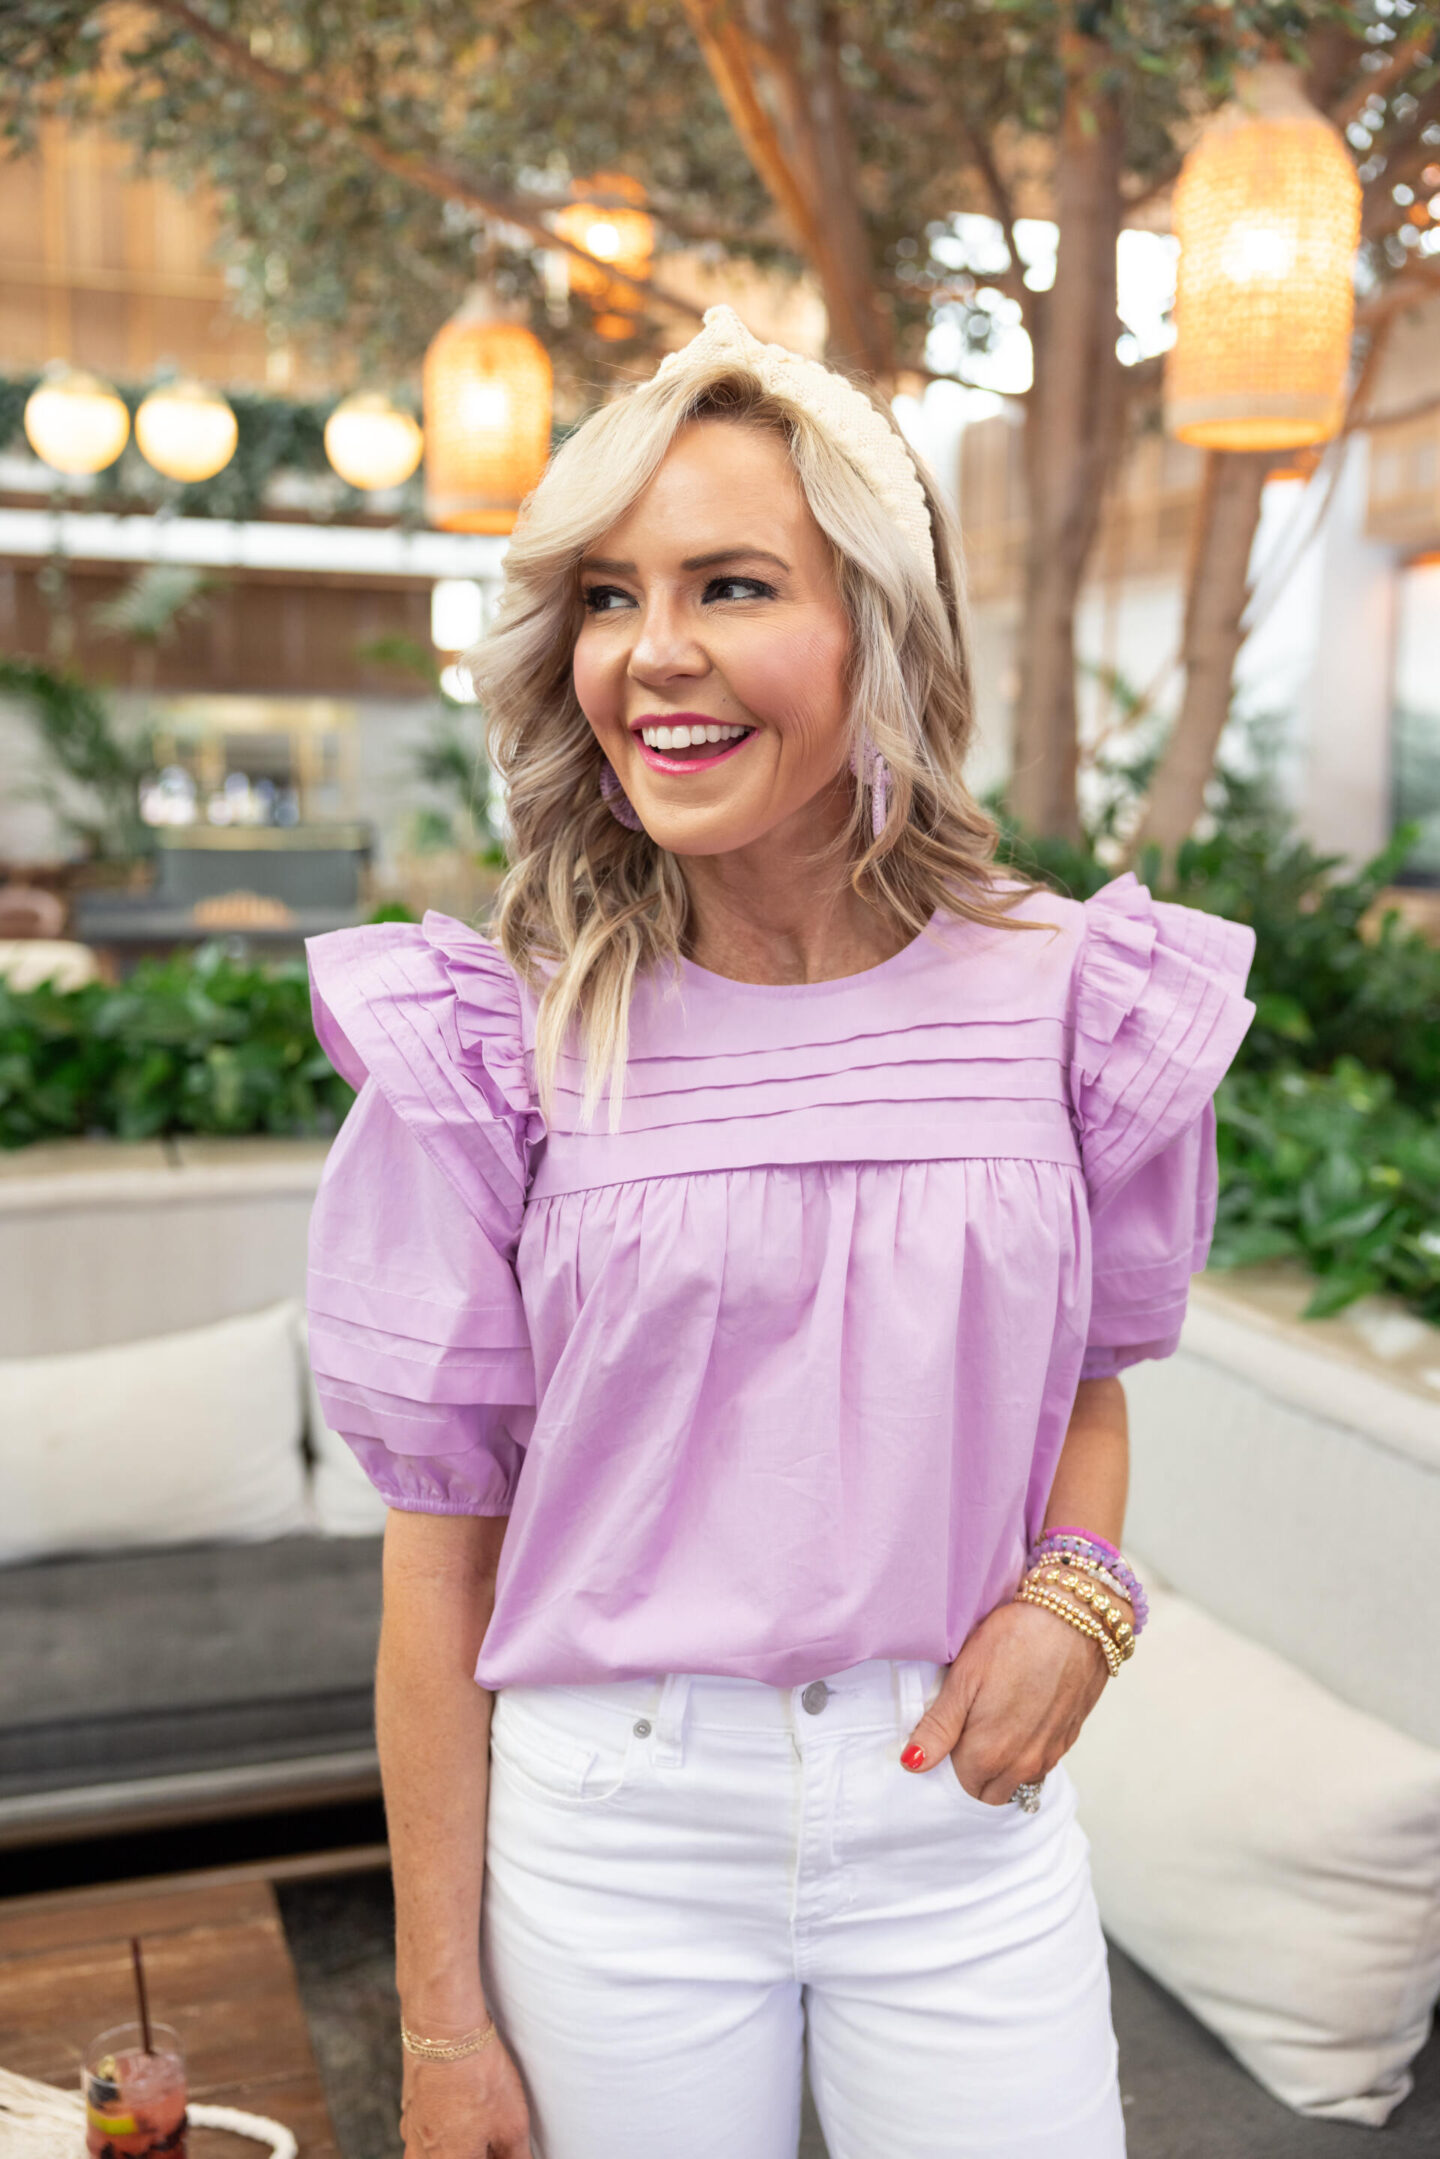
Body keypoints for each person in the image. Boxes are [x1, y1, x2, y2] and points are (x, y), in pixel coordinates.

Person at [305, 306, 1255, 2159]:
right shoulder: (500, 1039)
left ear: (879, 631)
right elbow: (437, 1566)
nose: (651, 652)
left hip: (958, 1819)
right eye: (606, 598)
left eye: (730, 585)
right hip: (615, 1838)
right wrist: (437, 2030)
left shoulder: (1076, 998)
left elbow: (1084, 1382)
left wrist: (1080, 1598)